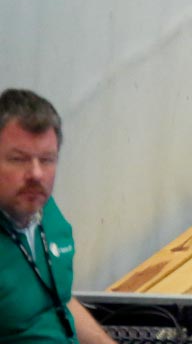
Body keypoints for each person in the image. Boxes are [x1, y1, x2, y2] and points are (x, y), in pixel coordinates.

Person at [0, 89, 117, 344]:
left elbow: (58, 301)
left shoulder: (44, 212)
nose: (36, 175)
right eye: (18, 159)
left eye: (47, 159)